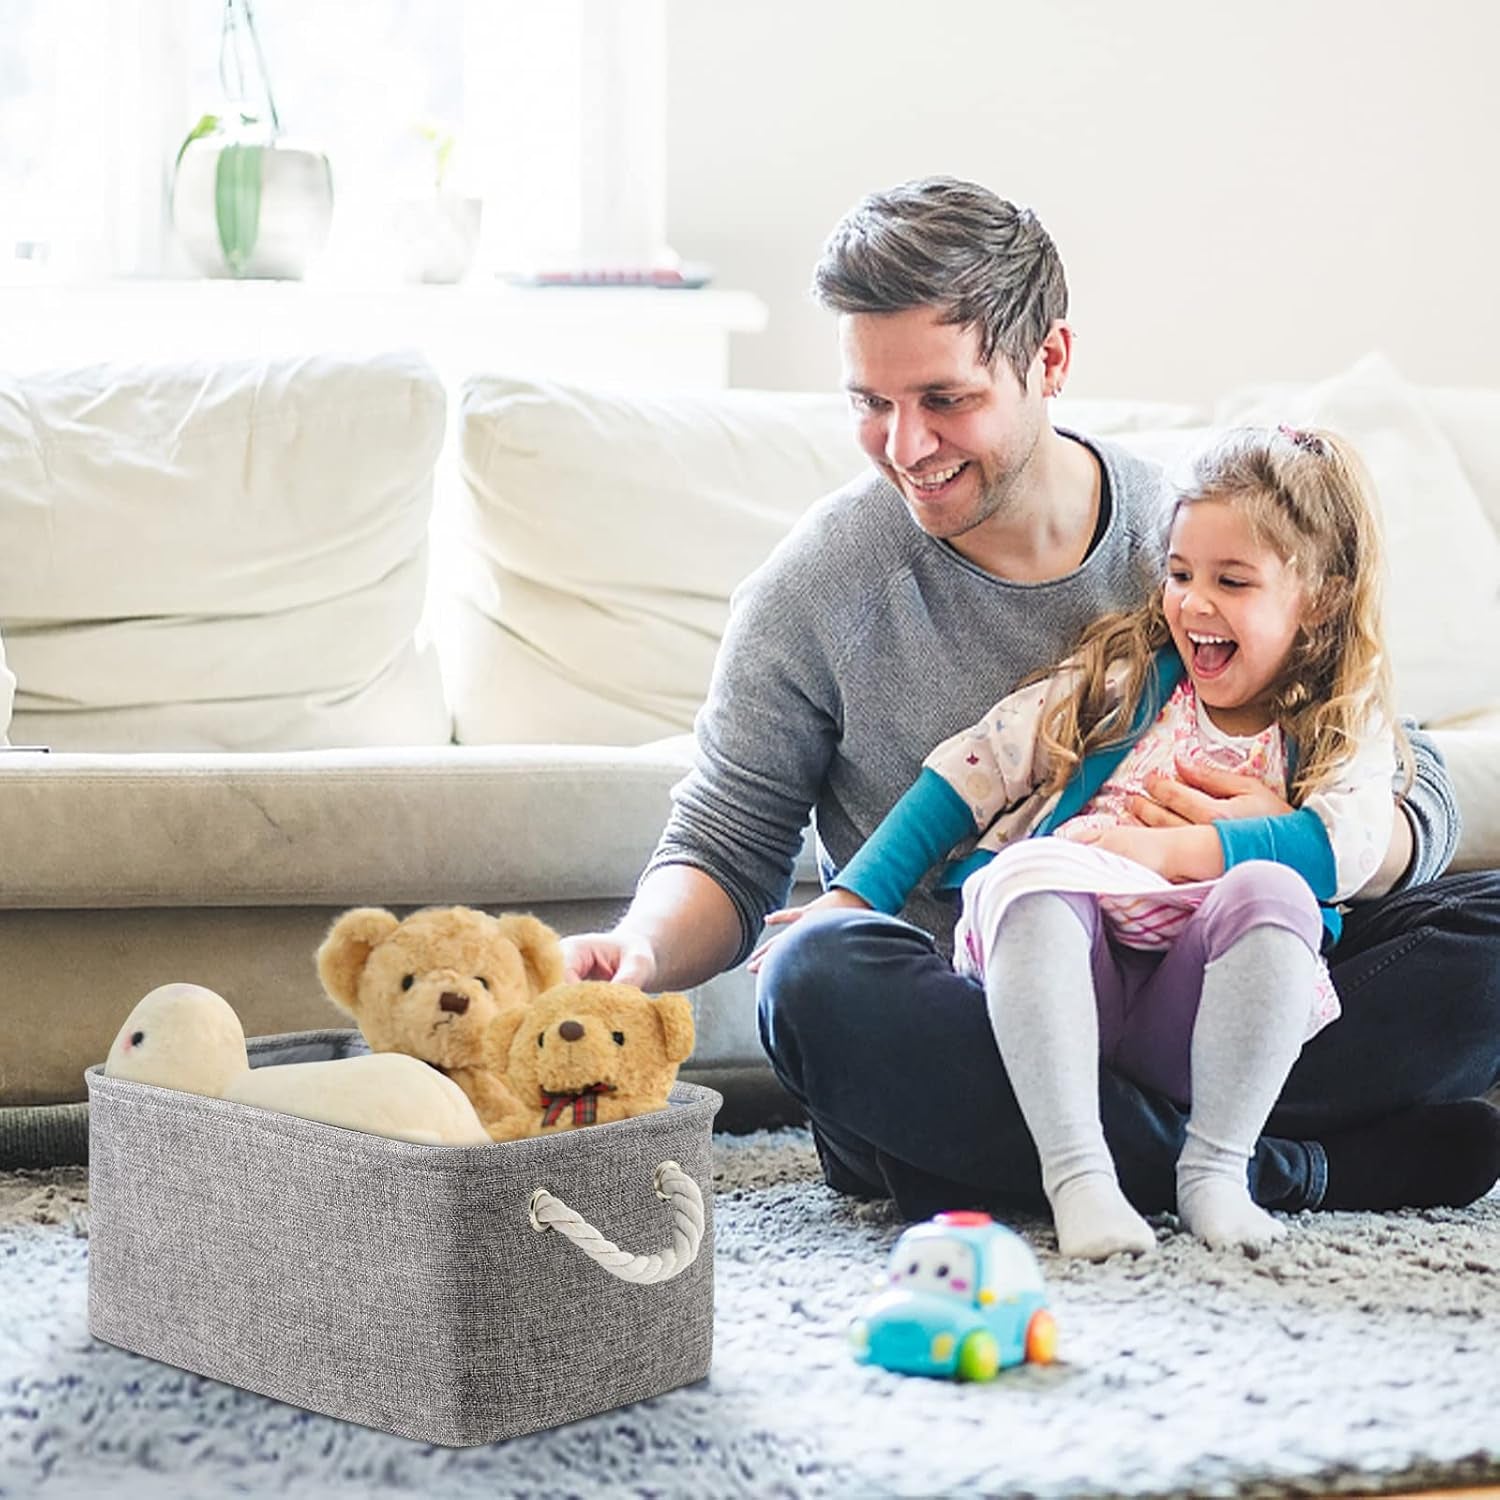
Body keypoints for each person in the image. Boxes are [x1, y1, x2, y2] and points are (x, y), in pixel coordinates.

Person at [560, 176, 1500, 1226]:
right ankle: (1285, 1169)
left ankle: (1068, 1155)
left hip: (1222, 967)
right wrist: (638, 952)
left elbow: (1396, 768)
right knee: (816, 982)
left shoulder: (1193, 540)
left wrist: (1270, 844)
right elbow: (727, 846)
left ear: (1049, 360)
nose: (906, 446)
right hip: (986, 1005)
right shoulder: (816, 589)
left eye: (946, 400)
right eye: (872, 404)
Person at [752, 424, 1407, 1258]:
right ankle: (1080, 1176)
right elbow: (975, 770)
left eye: (1232, 581)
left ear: (1318, 597)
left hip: (1208, 1007)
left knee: (1286, 896)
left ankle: (1216, 1170)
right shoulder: (1127, 677)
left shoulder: (1343, 722)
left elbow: (1351, 843)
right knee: (1019, 880)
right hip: (1061, 987)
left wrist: (1177, 854)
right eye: (1179, 574)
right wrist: (852, 898)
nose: (1194, 603)